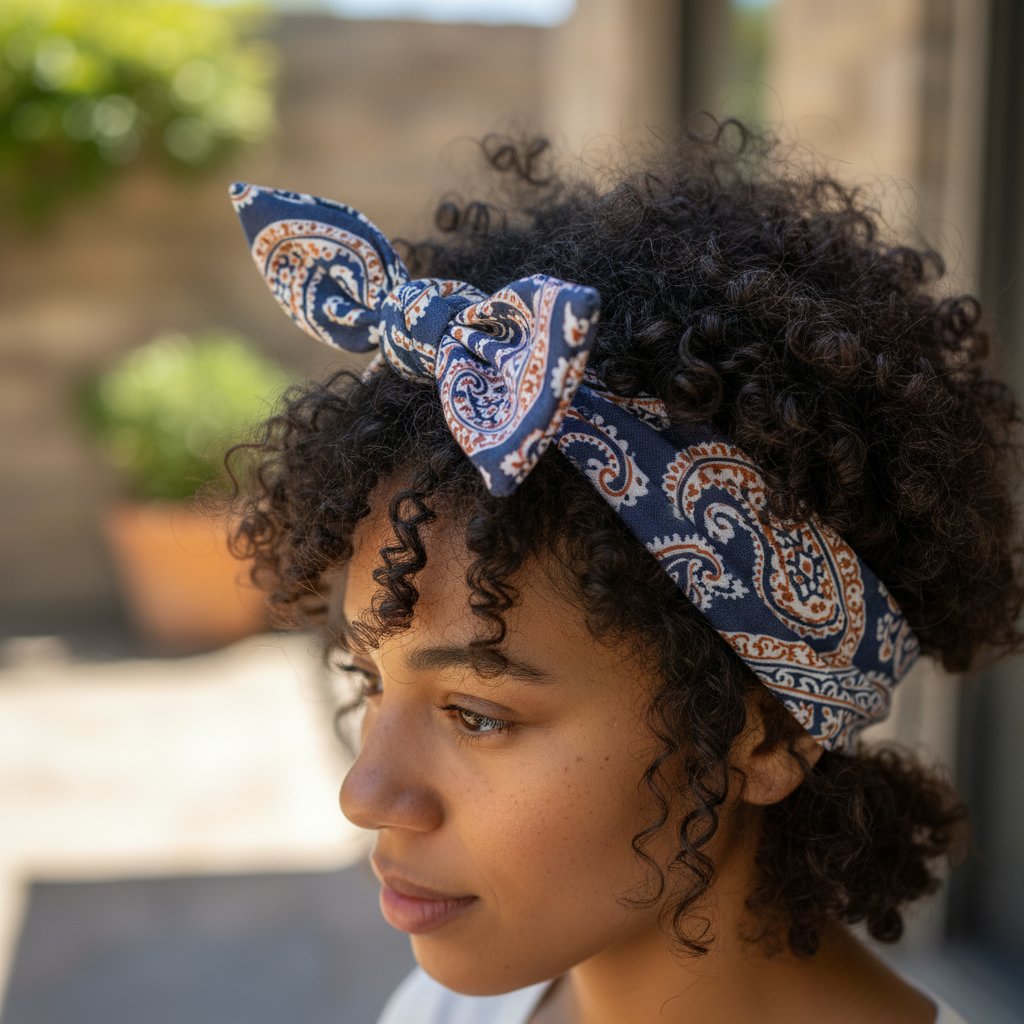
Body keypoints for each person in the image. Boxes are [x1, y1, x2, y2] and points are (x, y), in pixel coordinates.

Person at [227, 121, 1023, 1023]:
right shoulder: (441, 1010)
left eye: (478, 715)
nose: (364, 795)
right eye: (370, 678)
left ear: (766, 733)